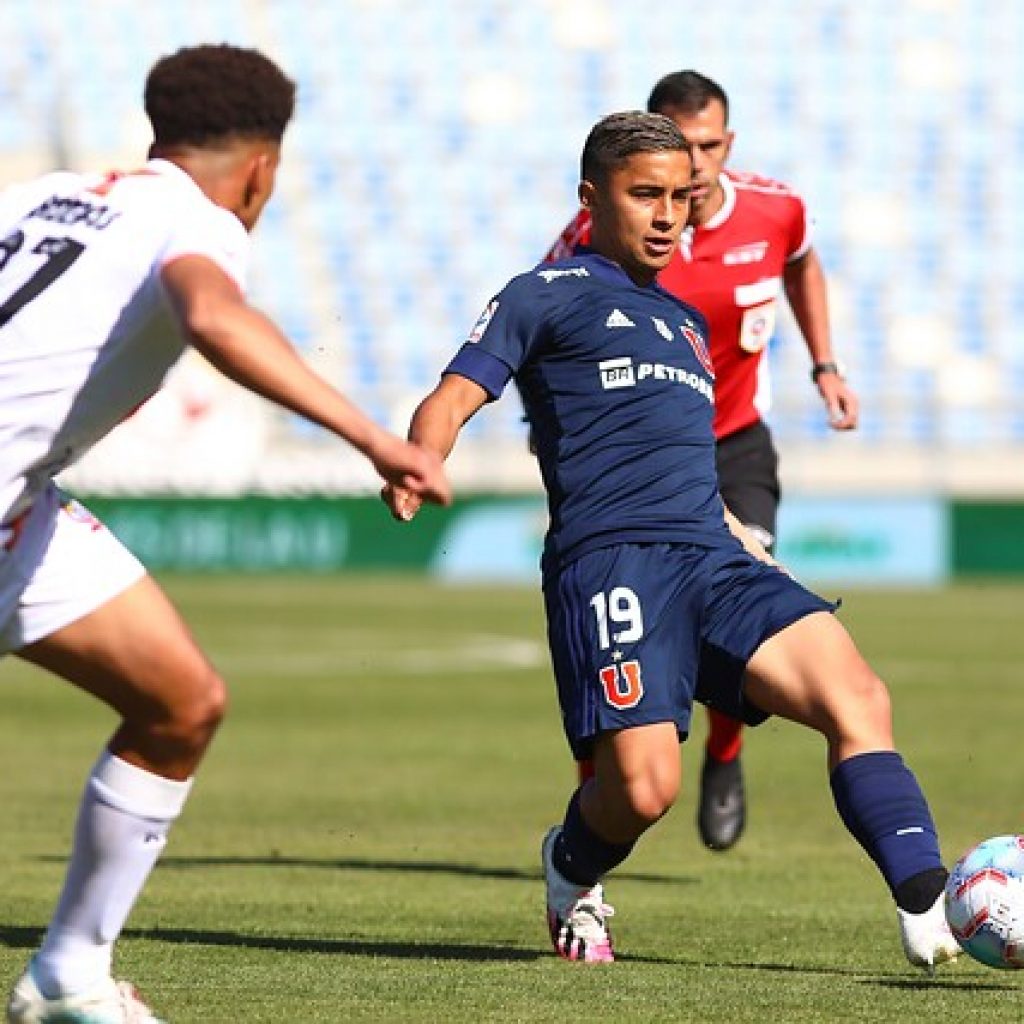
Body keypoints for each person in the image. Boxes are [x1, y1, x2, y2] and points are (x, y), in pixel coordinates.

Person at [384, 110, 958, 971]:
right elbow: (454, 394)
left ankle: (930, 907)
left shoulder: (687, 323)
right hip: (613, 562)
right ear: (591, 198)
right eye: (644, 195)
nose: (666, 215)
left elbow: (683, 458)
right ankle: (569, 867)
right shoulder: (540, 293)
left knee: (858, 696)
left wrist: (739, 535)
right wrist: (418, 459)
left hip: (717, 560)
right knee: (645, 791)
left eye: (681, 199)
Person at [1, 44, 450, 1024]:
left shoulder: (45, 197)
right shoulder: (197, 222)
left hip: (17, 511)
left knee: (180, 699)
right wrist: (374, 437)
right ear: (262, 169)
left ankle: (68, 973)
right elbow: (211, 313)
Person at [546, 70, 861, 853]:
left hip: (733, 443)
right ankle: (618, 783)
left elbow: (802, 265)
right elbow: (547, 312)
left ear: (731, 142)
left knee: (741, 587)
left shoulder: (777, 208)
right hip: (632, 457)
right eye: (680, 146)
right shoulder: (609, 231)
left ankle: (724, 750)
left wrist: (825, 364)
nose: (696, 163)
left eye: (710, 145)